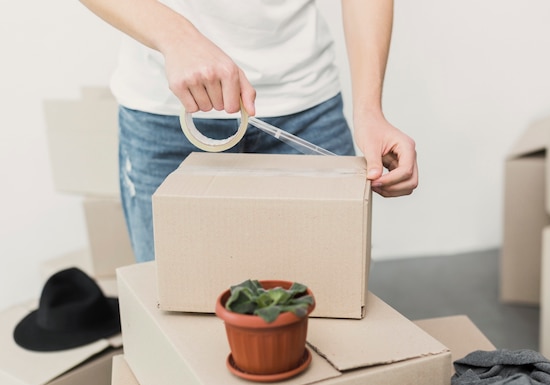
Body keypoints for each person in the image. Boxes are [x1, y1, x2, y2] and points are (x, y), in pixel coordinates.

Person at [79, 0, 419, 262]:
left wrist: (369, 110)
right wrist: (176, 35)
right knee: (174, 310)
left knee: (331, 301)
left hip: (307, 105)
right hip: (166, 112)